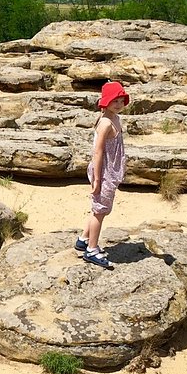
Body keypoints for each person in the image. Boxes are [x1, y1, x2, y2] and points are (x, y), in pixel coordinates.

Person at [76, 81, 130, 269]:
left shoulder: (115, 118)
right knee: (100, 211)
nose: (118, 104)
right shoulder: (106, 122)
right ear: (105, 101)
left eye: (121, 100)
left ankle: (83, 239)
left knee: (97, 208)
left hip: (110, 171)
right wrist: (98, 178)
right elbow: (97, 152)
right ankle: (91, 249)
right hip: (104, 172)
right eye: (114, 100)